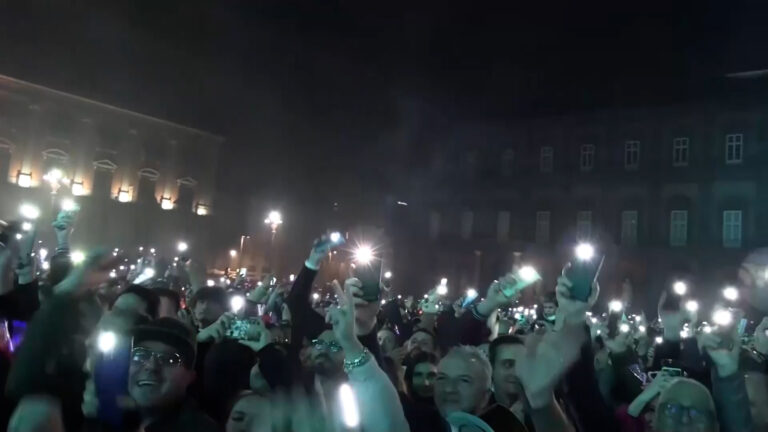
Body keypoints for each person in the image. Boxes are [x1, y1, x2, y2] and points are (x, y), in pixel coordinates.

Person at [127, 316, 219, 431]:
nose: (151, 366)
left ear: (190, 377)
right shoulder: (111, 419)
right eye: (141, 355)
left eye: (169, 359)